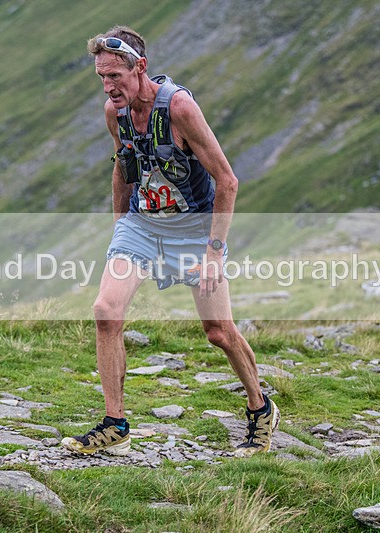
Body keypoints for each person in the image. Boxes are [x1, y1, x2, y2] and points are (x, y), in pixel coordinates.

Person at [61, 26, 278, 458]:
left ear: (139, 67)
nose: (108, 86)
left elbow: (228, 180)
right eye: (101, 77)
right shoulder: (114, 113)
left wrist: (214, 253)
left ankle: (261, 407)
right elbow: (124, 167)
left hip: (195, 232)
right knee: (106, 311)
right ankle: (115, 424)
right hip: (142, 225)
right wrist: (122, 228)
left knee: (218, 332)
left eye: (115, 76)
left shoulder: (178, 107)